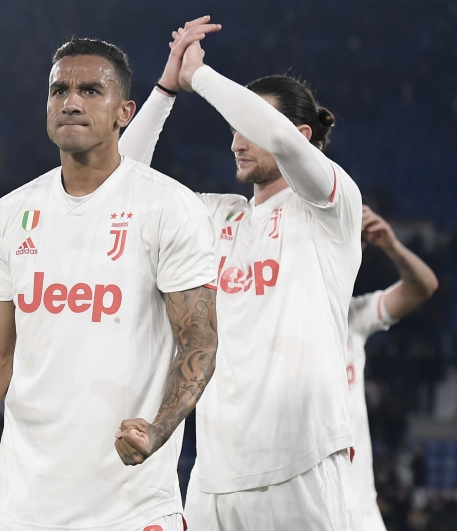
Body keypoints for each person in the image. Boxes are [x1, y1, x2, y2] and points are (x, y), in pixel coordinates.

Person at [0, 38, 219, 531]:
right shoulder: (8, 214)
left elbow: (199, 340)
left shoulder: (169, 207)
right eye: (59, 90)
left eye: (90, 90)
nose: (72, 101)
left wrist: (158, 428)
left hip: (132, 508)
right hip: (25, 509)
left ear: (124, 112)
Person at [119, 17, 364, 530]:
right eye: (234, 129)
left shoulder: (329, 208)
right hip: (212, 475)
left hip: (300, 462)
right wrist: (167, 86)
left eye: (249, 128)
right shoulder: (217, 216)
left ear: (300, 134)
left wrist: (201, 77)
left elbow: (287, 144)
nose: (237, 141)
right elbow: (121, 181)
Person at [347, 206, 438, 531]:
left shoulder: (353, 316)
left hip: (356, 509)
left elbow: (422, 287)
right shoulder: (277, 317)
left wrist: (391, 245)